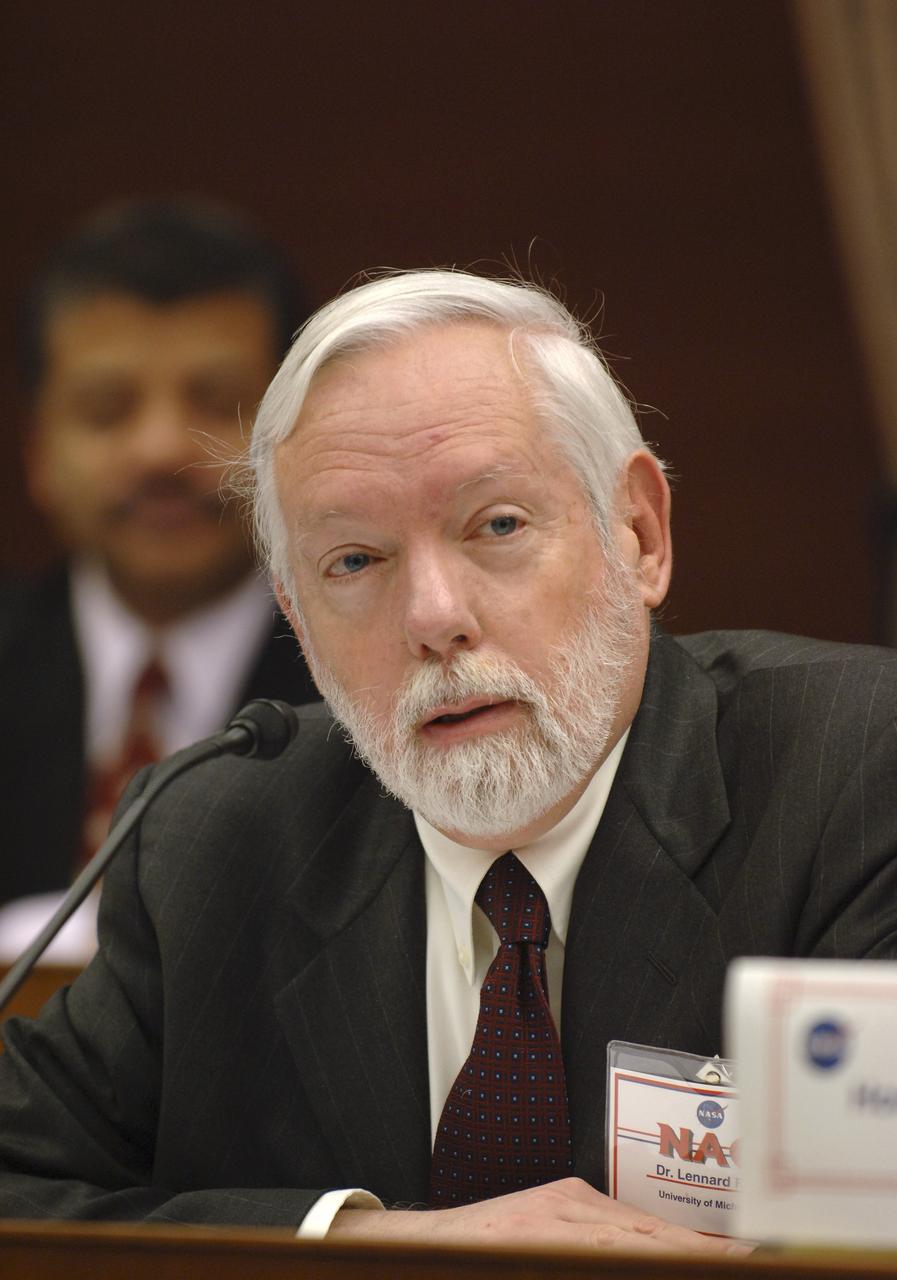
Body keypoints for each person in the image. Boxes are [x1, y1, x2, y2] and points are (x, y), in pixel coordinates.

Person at [0, 269, 895, 1256]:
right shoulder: (214, 841)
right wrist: (365, 1240)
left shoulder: (855, 772)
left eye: (497, 525)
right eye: (355, 560)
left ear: (639, 531)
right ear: (297, 615)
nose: (434, 617)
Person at [0, 200, 320, 930]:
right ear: (39, 453)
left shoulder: (373, 685)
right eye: (107, 409)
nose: (161, 450)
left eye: (216, 401)